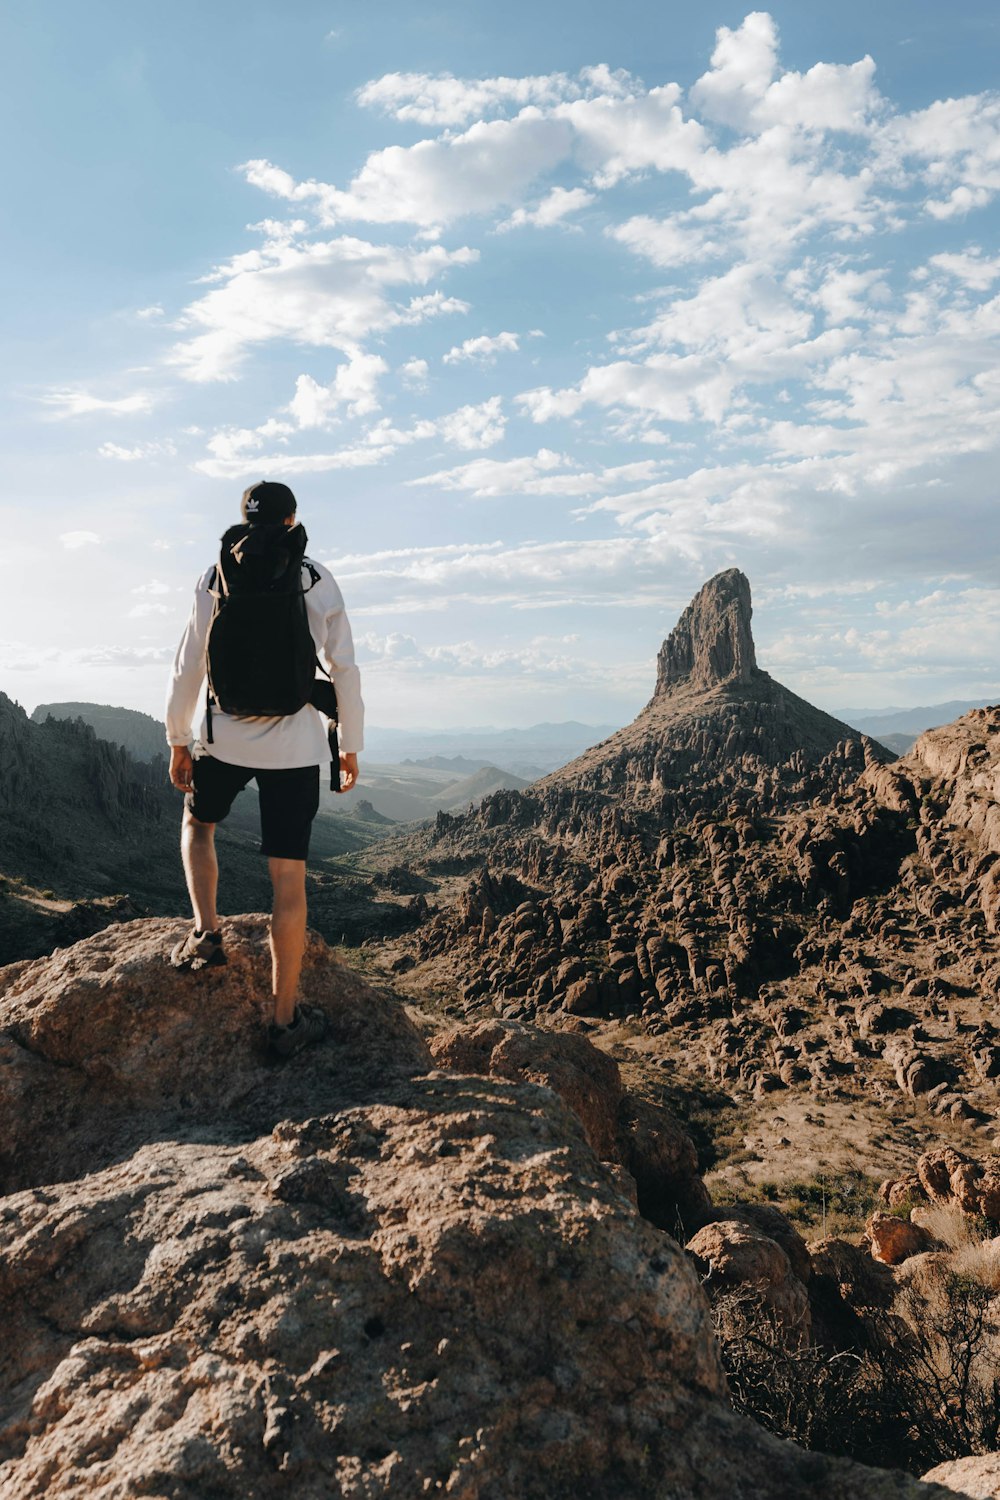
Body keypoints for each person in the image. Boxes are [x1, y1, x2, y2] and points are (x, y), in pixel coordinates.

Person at [164, 480, 364, 1059]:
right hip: (297, 749)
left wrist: (179, 739)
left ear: (245, 521)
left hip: (223, 740)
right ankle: (283, 1023)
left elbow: (188, 665)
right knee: (288, 881)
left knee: (198, 827)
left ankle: (206, 935)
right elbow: (344, 668)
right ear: (293, 519)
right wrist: (348, 743)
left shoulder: (214, 576)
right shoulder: (313, 577)